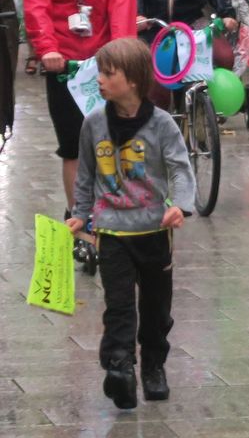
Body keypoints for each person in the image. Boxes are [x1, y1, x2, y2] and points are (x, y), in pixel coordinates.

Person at [66, 36, 194, 409]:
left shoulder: (162, 124)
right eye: (100, 73)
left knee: (156, 309)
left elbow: (180, 169)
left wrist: (180, 206)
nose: (100, 80)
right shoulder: (93, 123)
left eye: (109, 74)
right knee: (118, 305)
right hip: (111, 231)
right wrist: (80, 213)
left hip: (154, 230)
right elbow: (86, 174)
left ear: (134, 80)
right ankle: (120, 367)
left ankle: (153, 365)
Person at [23, 0, 136, 225]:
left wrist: (121, 52)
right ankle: (79, 220)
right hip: (63, 63)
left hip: (105, 61)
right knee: (72, 145)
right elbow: (37, 2)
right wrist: (46, 48)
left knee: (115, 140)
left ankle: (114, 210)